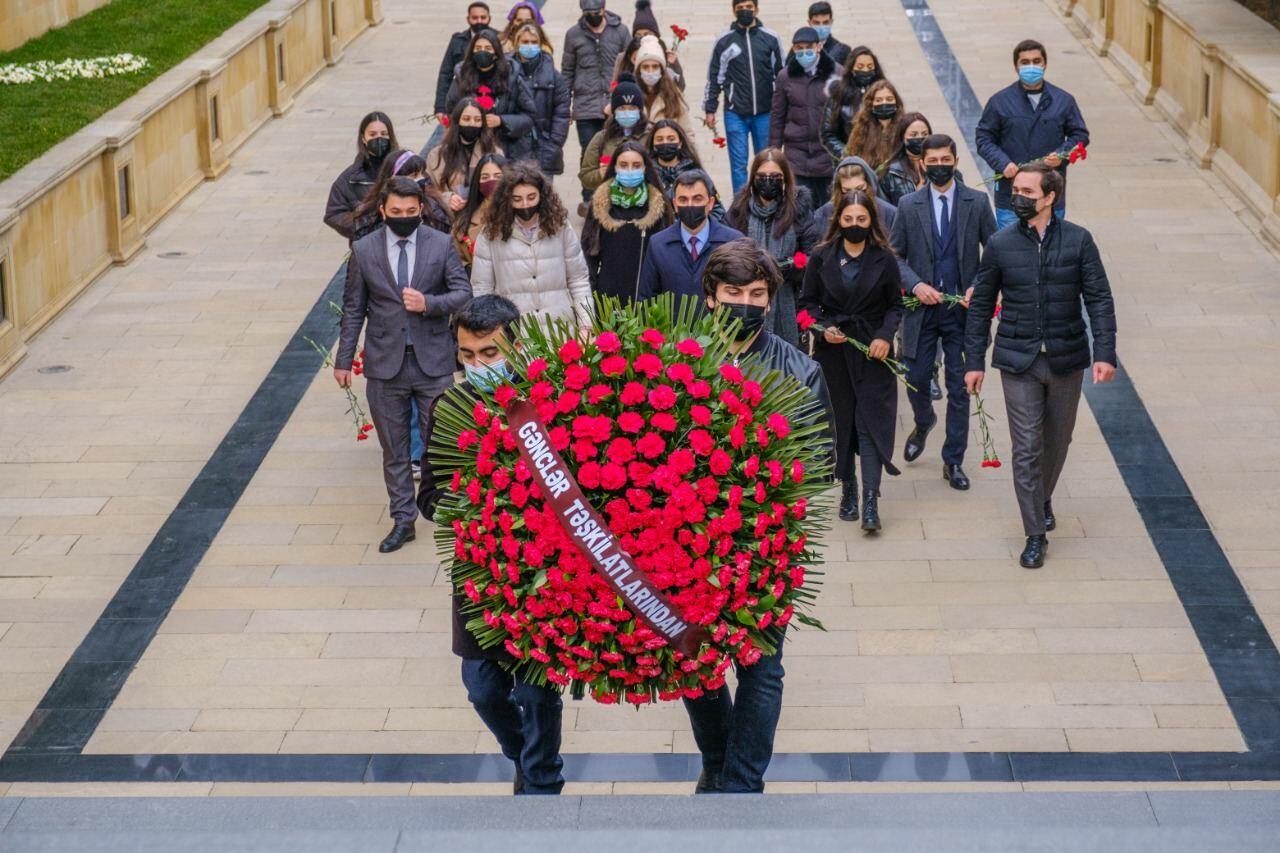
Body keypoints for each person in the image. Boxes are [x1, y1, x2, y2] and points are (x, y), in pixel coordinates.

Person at [683, 237, 833, 795]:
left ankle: (740, 785)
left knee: (761, 668)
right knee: (694, 664)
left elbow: (820, 463)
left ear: (770, 299)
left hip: (765, 544)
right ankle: (719, 763)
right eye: (733, 292)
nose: (745, 302)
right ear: (710, 296)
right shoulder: (680, 361)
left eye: (756, 293)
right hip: (689, 546)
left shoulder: (799, 369)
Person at [418, 294, 566, 797]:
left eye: (489, 353)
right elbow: (429, 496)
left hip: (541, 573)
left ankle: (542, 779)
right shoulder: (449, 408)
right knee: (482, 688)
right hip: (480, 572)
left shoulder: (550, 402)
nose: (478, 365)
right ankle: (523, 753)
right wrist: (472, 502)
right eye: (468, 355)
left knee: (535, 686)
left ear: (518, 347)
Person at [964, 164, 1116, 569]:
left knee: (1058, 440)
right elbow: (980, 306)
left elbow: (1099, 299)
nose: (1018, 197)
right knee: (1027, 446)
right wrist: (974, 361)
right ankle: (1034, 532)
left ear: (1050, 198)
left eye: (1027, 191)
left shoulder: (1080, 242)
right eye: (1015, 189)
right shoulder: (999, 244)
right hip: (1019, 360)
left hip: (1067, 360)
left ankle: (1041, 496)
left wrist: (1105, 352)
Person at [336, 177, 473, 554]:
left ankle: (452, 512)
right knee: (394, 449)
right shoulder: (364, 250)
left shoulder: (441, 244)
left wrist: (428, 303)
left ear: (421, 211)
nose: (403, 218)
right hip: (384, 364)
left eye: (411, 213)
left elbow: (463, 293)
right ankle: (403, 520)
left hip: (432, 360)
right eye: (396, 212)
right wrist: (344, 359)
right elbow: (353, 308)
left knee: (444, 443)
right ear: (383, 211)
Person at [890, 134, 997, 492]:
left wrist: (978, 288)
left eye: (945, 159)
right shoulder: (908, 205)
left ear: (954, 160)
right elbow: (895, 256)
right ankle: (923, 421)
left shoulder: (977, 203)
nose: (939, 165)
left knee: (959, 387)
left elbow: (995, 255)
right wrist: (916, 285)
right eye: (932, 160)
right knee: (916, 376)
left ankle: (953, 460)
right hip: (922, 311)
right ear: (922, 163)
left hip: (962, 314)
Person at [800, 191, 903, 529]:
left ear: (871, 220)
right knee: (841, 422)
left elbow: (895, 306)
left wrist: (884, 336)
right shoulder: (821, 256)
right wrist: (823, 328)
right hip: (835, 354)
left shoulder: (884, 259)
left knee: (871, 423)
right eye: (848, 220)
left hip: (874, 353)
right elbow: (808, 303)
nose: (855, 225)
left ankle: (871, 499)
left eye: (861, 220)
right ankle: (849, 487)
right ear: (838, 221)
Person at [975, 39, 1089, 229]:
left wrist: (1062, 155)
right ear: (1016, 67)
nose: (1032, 66)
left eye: (1037, 61)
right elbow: (984, 138)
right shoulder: (1000, 101)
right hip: (1011, 196)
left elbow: (1080, 135)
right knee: (1011, 251)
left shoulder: (1063, 100)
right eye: (1025, 62)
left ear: (1044, 64)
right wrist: (1003, 163)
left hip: (1049, 195)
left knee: (1050, 251)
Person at [471, 161, 592, 325]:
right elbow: (482, 289)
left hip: (560, 329)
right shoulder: (490, 234)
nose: (525, 204)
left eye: (531, 197)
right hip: (516, 331)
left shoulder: (561, 227)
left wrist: (586, 324)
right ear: (507, 200)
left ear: (542, 196)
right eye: (517, 199)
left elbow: (578, 280)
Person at [724, 148, 816, 348]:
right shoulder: (739, 210)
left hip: (789, 298)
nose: (768, 181)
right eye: (762, 176)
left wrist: (785, 268)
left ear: (784, 179)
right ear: (753, 178)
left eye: (775, 176)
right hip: (747, 302)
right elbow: (728, 254)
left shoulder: (799, 208)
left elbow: (812, 254)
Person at [703, 0, 785, 194]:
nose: (745, 11)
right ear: (733, 11)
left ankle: (767, 199)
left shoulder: (771, 38)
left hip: (765, 112)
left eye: (749, 7)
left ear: (756, 8)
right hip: (735, 113)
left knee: (767, 161)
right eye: (740, 8)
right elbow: (714, 77)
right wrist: (710, 108)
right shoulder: (724, 41)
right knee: (738, 165)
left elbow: (781, 75)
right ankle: (741, 207)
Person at [581, 141, 672, 303]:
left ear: (645, 168)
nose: (630, 170)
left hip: (649, 298)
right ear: (615, 167)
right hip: (608, 298)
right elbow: (588, 256)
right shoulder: (600, 206)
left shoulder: (658, 207)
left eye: (636, 165)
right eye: (623, 165)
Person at [637, 169, 743, 304]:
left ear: (710, 203)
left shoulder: (732, 242)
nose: (690, 205)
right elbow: (646, 298)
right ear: (675, 204)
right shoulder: (658, 244)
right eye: (683, 200)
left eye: (697, 199)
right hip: (671, 325)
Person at [563, 0, 631, 209]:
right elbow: (567, 70)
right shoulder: (574, 34)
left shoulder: (620, 31)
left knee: (616, 147)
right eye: (587, 12)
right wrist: (567, 104)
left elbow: (628, 66)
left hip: (614, 102)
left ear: (603, 9)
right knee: (588, 150)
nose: (592, 15)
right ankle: (589, 198)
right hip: (585, 103)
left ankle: (614, 192)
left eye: (595, 11)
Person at [768, 26, 838, 206]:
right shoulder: (785, 76)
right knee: (799, 210)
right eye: (799, 48)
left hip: (828, 156)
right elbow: (777, 117)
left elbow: (846, 117)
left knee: (829, 211)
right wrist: (774, 154)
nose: (804, 51)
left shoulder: (837, 73)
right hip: (796, 157)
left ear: (819, 46)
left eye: (808, 46)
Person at [446, 27, 538, 162]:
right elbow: (451, 110)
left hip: (507, 149)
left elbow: (529, 117)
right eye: (478, 48)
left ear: (496, 52)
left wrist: (501, 120)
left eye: (488, 48)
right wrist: (469, 120)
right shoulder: (462, 77)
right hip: (469, 148)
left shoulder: (512, 77)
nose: (482, 52)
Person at [324, 111, 397, 241]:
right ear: (363, 138)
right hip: (368, 246)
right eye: (372, 134)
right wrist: (364, 226)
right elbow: (333, 214)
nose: (379, 139)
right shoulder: (350, 178)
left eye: (384, 134)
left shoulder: (405, 168)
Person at [510, 23, 571, 177]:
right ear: (517, 44)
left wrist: (554, 144)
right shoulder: (505, 70)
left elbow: (562, 113)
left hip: (543, 147)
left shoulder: (554, 75)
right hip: (511, 147)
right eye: (525, 42)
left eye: (533, 42)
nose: (529, 46)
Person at [579, 74, 652, 202]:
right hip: (609, 203)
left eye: (632, 108)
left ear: (640, 110)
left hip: (647, 201)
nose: (627, 112)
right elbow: (585, 176)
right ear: (614, 111)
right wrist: (600, 174)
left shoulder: (651, 135)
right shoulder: (601, 138)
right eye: (622, 108)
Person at [350, 150, 452, 242]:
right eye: (414, 175)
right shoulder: (368, 217)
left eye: (422, 173)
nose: (421, 179)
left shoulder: (435, 209)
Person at [430, 3, 492, 153]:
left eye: (483, 17)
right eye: (475, 17)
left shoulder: (497, 38)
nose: (479, 21)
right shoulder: (457, 40)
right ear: (468, 19)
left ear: (489, 18)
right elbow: (445, 74)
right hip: (461, 102)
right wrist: (440, 107)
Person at [425, 98, 503, 215]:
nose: (472, 123)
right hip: (450, 218)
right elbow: (428, 188)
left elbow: (504, 185)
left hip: (487, 215)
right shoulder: (437, 155)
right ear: (457, 121)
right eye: (466, 119)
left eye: (477, 120)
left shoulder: (494, 151)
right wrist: (447, 198)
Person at [647, 120, 727, 220]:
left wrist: (701, 226)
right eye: (660, 139)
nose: (665, 143)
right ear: (653, 144)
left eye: (671, 139)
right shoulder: (646, 174)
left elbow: (718, 210)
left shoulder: (696, 173)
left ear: (680, 143)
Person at [821, 47, 884, 162]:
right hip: (849, 165)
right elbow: (828, 133)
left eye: (870, 67)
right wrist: (847, 155)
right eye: (860, 67)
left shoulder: (884, 95)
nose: (865, 70)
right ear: (851, 68)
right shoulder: (838, 96)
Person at [452, 153, 508, 269]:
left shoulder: (522, 214)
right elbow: (455, 263)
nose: (492, 181)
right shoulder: (463, 224)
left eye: (498, 176)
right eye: (485, 177)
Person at [842, 79, 904, 174]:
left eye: (889, 99)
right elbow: (850, 158)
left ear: (896, 102)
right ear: (871, 104)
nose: (884, 103)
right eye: (879, 100)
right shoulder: (861, 130)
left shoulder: (905, 127)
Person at [633, 35, 691, 133]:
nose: (650, 71)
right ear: (639, 70)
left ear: (661, 69)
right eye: (645, 67)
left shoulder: (674, 95)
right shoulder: (631, 94)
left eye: (655, 66)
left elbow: (687, 132)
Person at [625, 2, 686, 87]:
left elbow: (680, 86)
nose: (643, 38)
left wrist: (673, 65)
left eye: (647, 34)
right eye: (638, 35)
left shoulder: (665, 54)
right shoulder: (627, 55)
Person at [880, 111, 933, 206]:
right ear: (902, 138)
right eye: (913, 135)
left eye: (925, 134)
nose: (920, 138)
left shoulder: (941, 167)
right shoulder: (889, 173)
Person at [804, 1, 850, 67]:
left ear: (831, 22)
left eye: (825, 22)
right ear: (809, 23)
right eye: (816, 23)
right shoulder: (800, 47)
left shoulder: (843, 51)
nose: (821, 26)